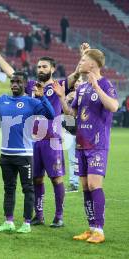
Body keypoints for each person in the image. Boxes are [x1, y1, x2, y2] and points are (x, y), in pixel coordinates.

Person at [0, 42, 80, 228]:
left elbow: (75, 75)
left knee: (56, 178)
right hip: (32, 142)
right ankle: (39, 215)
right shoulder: (30, 86)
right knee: (36, 179)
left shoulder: (59, 85)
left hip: (52, 140)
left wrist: (83, 59)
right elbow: (11, 73)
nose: (40, 69)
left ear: (53, 69)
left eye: (44, 66)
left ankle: (59, 216)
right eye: (38, 66)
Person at [53, 48, 119, 244]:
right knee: (85, 187)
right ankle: (91, 228)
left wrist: (96, 87)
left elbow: (113, 107)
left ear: (93, 64)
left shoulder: (106, 84)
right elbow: (71, 114)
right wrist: (61, 97)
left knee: (93, 185)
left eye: (83, 60)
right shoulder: (81, 89)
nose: (79, 63)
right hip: (82, 144)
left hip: (98, 144)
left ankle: (99, 229)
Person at [0, 71, 55, 233]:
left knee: (28, 189)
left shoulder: (31, 102)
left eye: (18, 82)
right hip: (5, 155)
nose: (14, 84)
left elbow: (50, 114)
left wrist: (42, 97)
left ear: (25, 84)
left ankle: (26, 223)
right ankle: (8, 221)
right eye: (12, 81)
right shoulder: (2, 101)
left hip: (24, 155)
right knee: (9, 188)